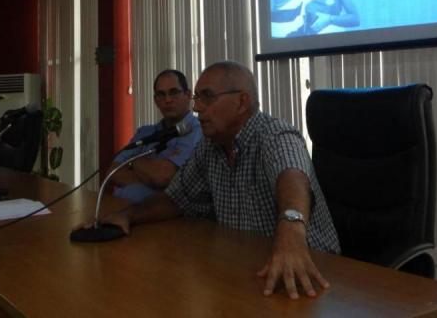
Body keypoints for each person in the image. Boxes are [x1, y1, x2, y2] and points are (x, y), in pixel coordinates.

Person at [80, 61, 340, 300]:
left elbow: (293, 177)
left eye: (207, 97)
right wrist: (128, 216)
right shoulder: (210, 146)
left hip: (313, 274)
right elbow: (176, 198)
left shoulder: (275, 135)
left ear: (242, 102)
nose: (196, 107)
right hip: (248, 273)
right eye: (196, 98)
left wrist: (292, 233)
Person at [107, 69, 202, 204]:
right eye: (161, 94)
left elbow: (162, 177)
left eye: (174, 92)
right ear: (155, 100)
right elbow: (113, 172)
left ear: (188, 95)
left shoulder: (197, 131)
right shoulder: (145, 133)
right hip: (122, 213)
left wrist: (133, 162)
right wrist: (153, 180)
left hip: (167, 221)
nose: (167, 100)